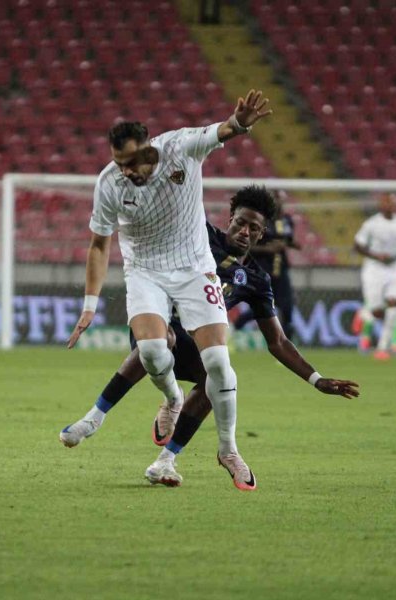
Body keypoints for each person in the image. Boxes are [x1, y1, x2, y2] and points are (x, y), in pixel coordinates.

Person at [61, 186, 359, 488]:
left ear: (261, 234)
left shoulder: (256, 280)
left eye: (253, 228)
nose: (244, 231)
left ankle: (166, 460)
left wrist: (316, 380)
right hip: (156, 325)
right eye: (240, 223)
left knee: (215, 377)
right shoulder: (200, 235)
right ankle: (100, 416)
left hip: (196, 343)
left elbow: (277, 341)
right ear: (230, 220)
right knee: (163, 340)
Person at [66, 90, 274, 490]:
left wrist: (240, 123)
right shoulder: (109, 184)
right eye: (119, 163)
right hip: (145, 271)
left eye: (132, 161)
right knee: (150, 351)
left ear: (149, 147)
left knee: (218, 362)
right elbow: (99, 245)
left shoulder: (181, 147)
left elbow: (223, 130)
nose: (126, 171)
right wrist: (89, 305)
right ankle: (173, 397)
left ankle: (228, 449)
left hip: (195, 267)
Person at [352, 193, 396, 360]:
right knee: (377, 311)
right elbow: (357, 246)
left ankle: (382, 348)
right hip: (374, 269)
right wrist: (375, 256)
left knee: (394, 306)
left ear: (395, 205)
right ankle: (363, 314)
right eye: (385, 203)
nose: (388, 205)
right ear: (381, 205)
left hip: (394, 269)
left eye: (391, 202)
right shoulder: (371, 224)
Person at [237, 191, 298, 338]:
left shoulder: (286, 220)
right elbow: (247, 245)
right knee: (261, 306)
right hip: (263, 269)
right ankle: (236, 327)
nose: (279, 202)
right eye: (276, 199)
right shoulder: (260, 220)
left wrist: (293, 245)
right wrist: (268, 249)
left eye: (281, 199)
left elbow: (288, 240)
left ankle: (288, 343)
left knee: (287, 306)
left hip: (281, 269)